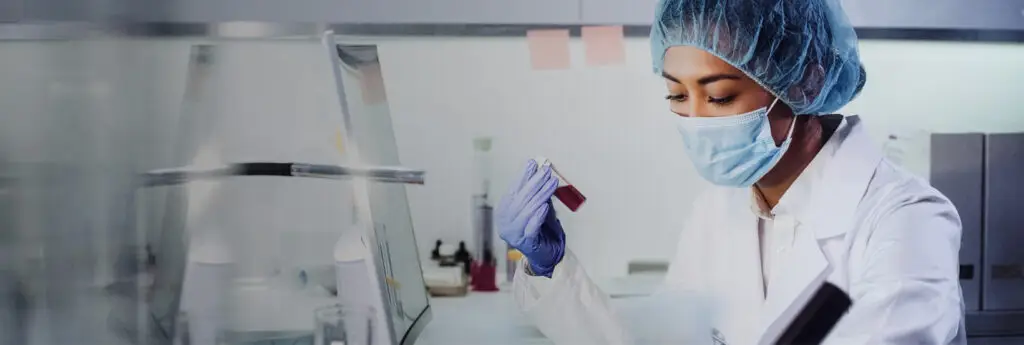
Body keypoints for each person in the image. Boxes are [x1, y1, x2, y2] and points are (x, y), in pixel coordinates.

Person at [496, 0, 966, 344]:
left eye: (718, 96)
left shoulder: (906, 220)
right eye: (677, 95)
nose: (696, 120)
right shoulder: (719, 209)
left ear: (807, 82)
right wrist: (548, 268)